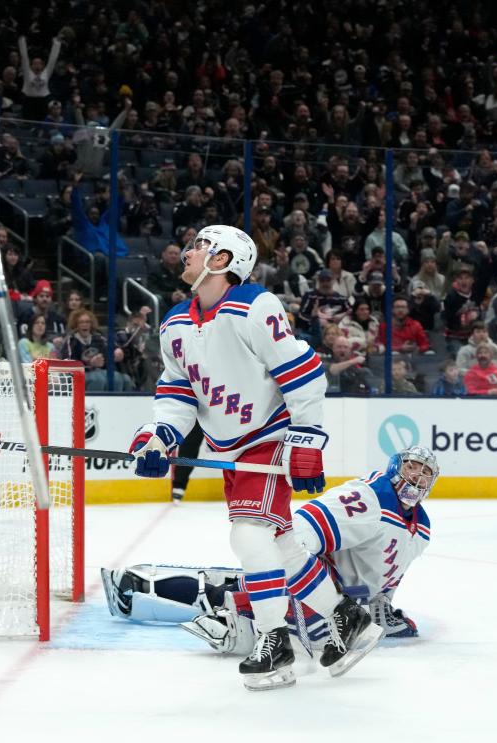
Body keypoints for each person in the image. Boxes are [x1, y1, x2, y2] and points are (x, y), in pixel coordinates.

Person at [129, 224, 378, 691]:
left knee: (248, 536)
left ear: (223, 260)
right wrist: (159, 436)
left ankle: (274, 639)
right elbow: (178, 394)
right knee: (278, 544)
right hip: (229, 448)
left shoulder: (254, 306)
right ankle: (346, 618)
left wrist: (305, 440)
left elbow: (303, 373)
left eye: (200, 246)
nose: (188, 252)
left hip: (268, 438)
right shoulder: (174, 324)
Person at [103, 447, 438, 655]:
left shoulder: (421, 527)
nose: (417, 476)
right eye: (412, 466)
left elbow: (390, 571)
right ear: (396, 467)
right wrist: (288, 574)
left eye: (426, 472)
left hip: (341, 597)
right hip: (321, 586)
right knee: (236, 601)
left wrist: (381, 604)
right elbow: (306, 526)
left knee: (244, 591)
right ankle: (135, 592)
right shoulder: (370, 498)